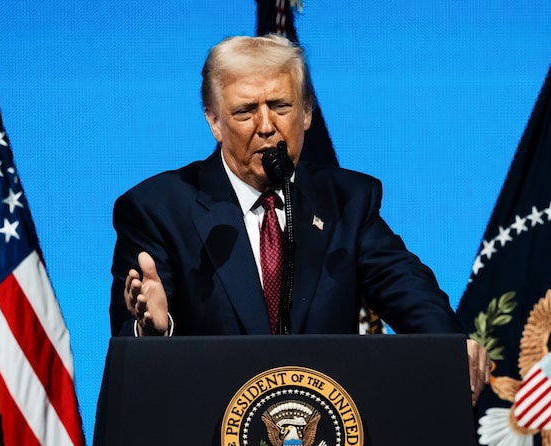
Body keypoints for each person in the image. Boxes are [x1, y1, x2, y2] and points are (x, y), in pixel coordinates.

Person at [109, 34, 489, 403]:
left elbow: (409, 291)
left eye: (280, 105)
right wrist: (153, 333)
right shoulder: (158, 209)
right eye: (245, 111)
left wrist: (451, 345)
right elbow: (129, 353)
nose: (265, 126)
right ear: (214, 121)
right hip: (207, 437)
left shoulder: (346, 203)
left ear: (306, 113)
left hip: (327, 440)